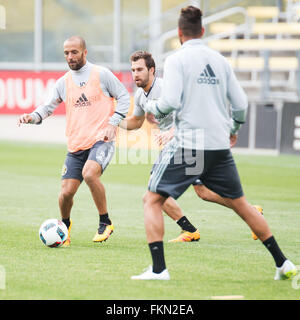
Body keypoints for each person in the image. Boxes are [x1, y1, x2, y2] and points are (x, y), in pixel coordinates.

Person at [131, 6, 297, 280]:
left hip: (189, 143)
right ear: (203, 31)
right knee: (241, 204)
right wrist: (234, 128)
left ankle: (159, 270)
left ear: (179, 33)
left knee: (151, 199)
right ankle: (283, 263)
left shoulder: (176, 60)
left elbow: (170, 102)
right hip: (219, 144)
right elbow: (241, 103)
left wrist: (154, 108)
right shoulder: (219, 60)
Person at [122, 50, 263, 243]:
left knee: (154, 192)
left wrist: (170, 133)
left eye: (139, 69)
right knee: (203, 192)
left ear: (152, 70)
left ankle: (188, 231)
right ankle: (250, 211)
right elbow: (136, 122)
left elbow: (190, 113)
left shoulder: (165, 88)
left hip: (186, 141)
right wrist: (114, 122)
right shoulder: (140, 95)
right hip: (179, 145)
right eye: (133, 70)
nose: (135, 74)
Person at [18, 36, 130, 246]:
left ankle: (105, 222)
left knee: (89, 174)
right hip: (76, 146)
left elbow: (124, 96)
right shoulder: (63, 82)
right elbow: (47, 107)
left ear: (84, 52)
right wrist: (31, 117)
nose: (70, 57)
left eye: (74, 52)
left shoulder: (101, 74)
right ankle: (65, 227)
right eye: (66, 53)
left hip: (101, 140)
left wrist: (113, 122)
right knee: (65, 194)